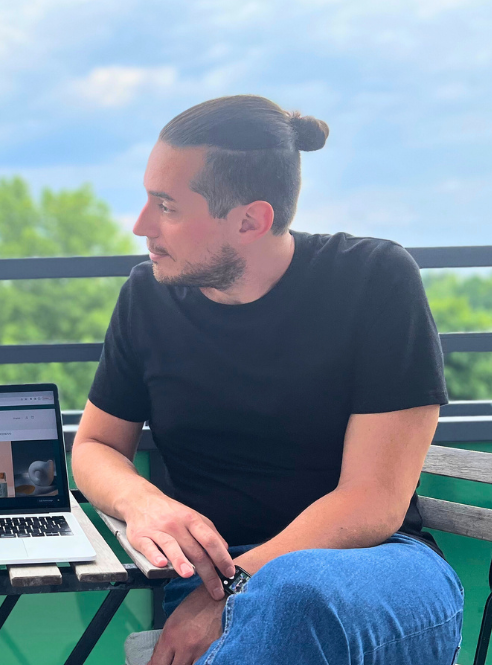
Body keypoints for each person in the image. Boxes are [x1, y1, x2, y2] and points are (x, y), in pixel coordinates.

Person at [72, 95, 464, 665]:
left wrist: (238, 590)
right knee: (281, 608)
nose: (141, 226)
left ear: (251, 220)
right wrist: (144, 503)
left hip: (380, 567)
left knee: (292, 597)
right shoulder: (146, 298)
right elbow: (96, 444)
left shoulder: (374, 280)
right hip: (215, 572)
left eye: (167, 206)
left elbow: (373, 500)